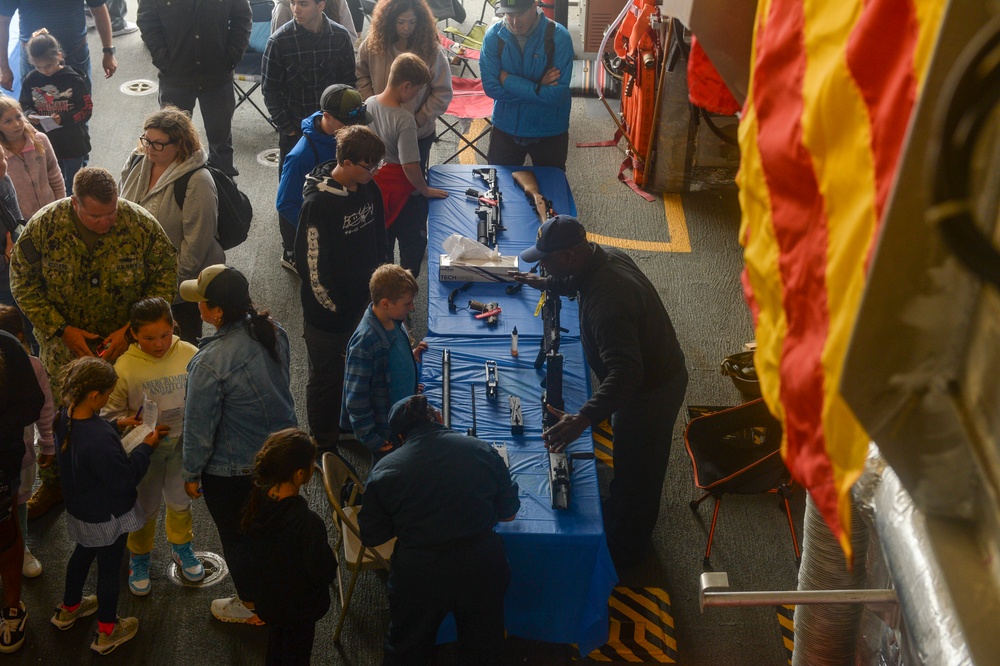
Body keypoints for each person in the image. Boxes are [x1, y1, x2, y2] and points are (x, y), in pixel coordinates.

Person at [511, 215, 688, 568]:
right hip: (644, 377)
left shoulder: (607, 304)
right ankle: (620, 508)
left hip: (650, 392)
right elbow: (576, 280)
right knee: (627, 461)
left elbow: (626, 374)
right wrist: (545, 282)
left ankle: (627, 551)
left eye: (547, 259)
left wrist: (584, 417)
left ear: (571, 253)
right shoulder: (602, 255)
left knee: (640, 468)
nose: (542, 262)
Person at [9, 166, 177, 519]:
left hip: (124, 344)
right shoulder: (44, 227)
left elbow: (165, 276)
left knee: (123, 412)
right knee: (60, 416)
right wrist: (62, 329)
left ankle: (122, 478)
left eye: (112, 212)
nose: (108, 221)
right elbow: (22, 283)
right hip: (64, 347)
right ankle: (55, 483)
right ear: (74, 204)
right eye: (97, 215)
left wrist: (130, 330)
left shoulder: (139, 224)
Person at [359, 394, 520, 665]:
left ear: (399, 437)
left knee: (407, 648)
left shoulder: (384, 471)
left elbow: (372, 536)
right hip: (481, 566)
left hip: (420, 574)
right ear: (440, 418)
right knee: (484, 646)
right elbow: (509, 514)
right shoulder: (482, 450)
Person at [179, 264, 296, 624]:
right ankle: (279, 591)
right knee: (275, 532)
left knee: (240, 539)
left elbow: (198, 427)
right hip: (282, 455)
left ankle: (252, 607)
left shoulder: (209, 363)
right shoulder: (274, 330)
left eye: (201, 301)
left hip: (234, 473)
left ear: (215, 312)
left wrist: (191, 472)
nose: (196, 306)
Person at [50, 356, 166, 655]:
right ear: (94, 395)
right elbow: (123, 480)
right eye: (107, 394)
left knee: (82, 555)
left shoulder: (64, 415)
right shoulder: (99, 437)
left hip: (82, 511)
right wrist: (145, 448)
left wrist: (117, 425)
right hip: (109, 515)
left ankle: (69, 607)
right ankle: (107, 631)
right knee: (109, 570)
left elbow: (87, 442)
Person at [101, 298, 204, 597]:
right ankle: (140, 557)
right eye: (149, 338)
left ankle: (182, 547)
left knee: (180, 501)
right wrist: (133, 424)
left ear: (174, 327)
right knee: (144, 508)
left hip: (182, 447)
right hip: (143, 455)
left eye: (165, 335)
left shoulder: (189, 353)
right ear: (133, 334)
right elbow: (110, 415)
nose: (159, 344)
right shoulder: (124, 368)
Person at [294, 125, 386, 451]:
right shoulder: (317, 205)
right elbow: (312, 270)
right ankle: (322, 442)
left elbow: (380, 238)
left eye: (377, 165)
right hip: (328, 318)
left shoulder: (367, 186)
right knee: (326, 381)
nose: (374, 172)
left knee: (357, 373)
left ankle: (347, 428)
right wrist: (339, 309)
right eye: (368, 166)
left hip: (365, 307)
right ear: (346, 162)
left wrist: (382, 285)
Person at [262, 0, 355, 270]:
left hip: (335, 132)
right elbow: (270, 91)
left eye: (302, 3)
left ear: (321, 5)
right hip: (296, 133)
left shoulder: (339, 37)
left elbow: (348, 83)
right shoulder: (279, 42)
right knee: (291, 191)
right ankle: (291, 249)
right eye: (292, 2)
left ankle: (331, 238)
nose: (295, 9)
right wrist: (289, 128)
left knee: (334, 184)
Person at [119, 107, 225, 342]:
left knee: (179, 345)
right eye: (146, 140)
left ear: (180, 144)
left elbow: (195, 248)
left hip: (177, 288)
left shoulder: (197, 181)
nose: (149, 148)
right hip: (138, 278)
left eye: (158, 144)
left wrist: (163, 291)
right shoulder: (138, 159)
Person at [241, 428, 336, 664]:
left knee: (277, 645)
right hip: (298, 608)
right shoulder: (308, 524)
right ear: (300, 473)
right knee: (297, 654)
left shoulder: (257, 499)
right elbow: (322, 571)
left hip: (270, 600)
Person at [136, 0, 252, 178]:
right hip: (176, 76)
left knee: (221, 143)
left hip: (217, 76)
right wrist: (161, 57)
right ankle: (173, 192)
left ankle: (224, 195)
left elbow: (242, 18)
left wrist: (233, 54)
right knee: (170, 142)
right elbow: (147, 20)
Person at [367, 53, 448, 276]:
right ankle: (405, 289)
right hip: (404, 196)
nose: (416, 95)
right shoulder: (404, 119)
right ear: (406, 86)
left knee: (383, 246)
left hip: (377, 188)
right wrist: (426, 190)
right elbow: (410, 165)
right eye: (417, 90)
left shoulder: (369, 103)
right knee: (412, 247)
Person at [275, 83, 372, 263]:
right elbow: (285, 203)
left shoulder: (345, 134)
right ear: (326, 116)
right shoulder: (301, 156)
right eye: (348, 123)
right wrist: (319, 231)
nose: (355, 128)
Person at [355, 0, 453, 172]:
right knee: (376, 177)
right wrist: (370, 103)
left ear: (420, 21)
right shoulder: (373, 43)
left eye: (412, 22)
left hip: (416, 133)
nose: (406, 27)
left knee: (413, 183)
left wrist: (418, 120)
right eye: (401, 22)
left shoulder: (431, 50)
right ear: (390, 20)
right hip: (377, 130)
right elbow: (360, 74)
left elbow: (442, 93)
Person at [342, 264, 426, 458]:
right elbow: (355, 400)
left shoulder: (393, 319)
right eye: (408, 303)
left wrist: (410, 357)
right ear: (386, 303)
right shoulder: (364, 344)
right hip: (386, 429)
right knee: (390, 467)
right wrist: (372, 439)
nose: (412, 308)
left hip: (402, 411)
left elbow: (391, 361)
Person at [480, 0, 574, 171]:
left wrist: (508, 81)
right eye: (509, 14)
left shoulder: (560, 37)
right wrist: (539, 86)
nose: (515, 22)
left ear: (534, 5)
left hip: (549, 130)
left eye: (520, 13)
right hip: (506, 126)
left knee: (552, 191)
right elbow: (491, 88)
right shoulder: (493, 36)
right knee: (499, 190)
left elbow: (556, 95)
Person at [0, 305, 53, 580]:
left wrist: (48, 443)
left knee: (18, 503)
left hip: (20, 457)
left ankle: (20, 550)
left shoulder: (32, 366)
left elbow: (44, 409)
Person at [0, 329, 43, 653]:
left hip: (2, 465)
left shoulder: (6, 345)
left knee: (8, 531)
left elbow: (31, 405)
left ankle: (12, 607)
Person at [20, 29, 93, 192]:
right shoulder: (31, 79)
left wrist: (64, 118)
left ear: (59, 56)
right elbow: (23, 105)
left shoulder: (73, 78)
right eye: (38, 67)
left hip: (73, 142)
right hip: (47, 142)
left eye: (48, 66)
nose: (44, 71)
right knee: (54, 181)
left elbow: (87, 109)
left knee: (74, 183)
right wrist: (29, 115)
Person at [0, 0, 119, 92]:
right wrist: (4, 67)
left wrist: (108, 51)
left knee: (80, 109)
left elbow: (99, 9)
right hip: (34, 60)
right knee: (34, 113)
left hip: (74, 54)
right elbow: (3, 21)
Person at [0, 97, 65, 221]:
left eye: (18, 117)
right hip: (23, 221)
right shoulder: (1, 157)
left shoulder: (41, 140)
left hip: (51, 211)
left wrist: (61, 203)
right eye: (8, 121)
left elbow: (54, 174)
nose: (17, 124)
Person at [271, 0, 357, 44]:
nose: (296, 9)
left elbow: (351, 37)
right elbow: (278, 47)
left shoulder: (338, 2)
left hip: (333, 64)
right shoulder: (283, 8)